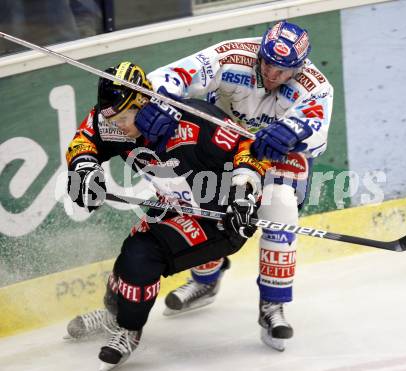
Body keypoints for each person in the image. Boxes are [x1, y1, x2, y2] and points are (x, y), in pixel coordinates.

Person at [139, 20, 334, 350]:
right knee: (200, 208)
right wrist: (161, 102)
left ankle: (273, 305)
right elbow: (168, 76)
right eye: (269, 63)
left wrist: (293, 132)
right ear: (260, 53)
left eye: (284, 70)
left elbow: (317, 134)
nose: (273, 74)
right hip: (223, 146)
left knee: (281, 205)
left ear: (299, 68)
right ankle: (205, 280)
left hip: (274, 154)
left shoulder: (316, 86)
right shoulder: (231, 55)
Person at [65, 61, 272, 370]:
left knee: (140, 256)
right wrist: (83, 169)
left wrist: (242, 197)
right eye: (113, 119)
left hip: (221, 217)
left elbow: (249, 148)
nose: (118, 126)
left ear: (144, 105)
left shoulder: (193, 120)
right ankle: (114, 314)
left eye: (123, 118)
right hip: (174, 205)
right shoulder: (117, 122)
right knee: (126, 265)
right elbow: (87, 138)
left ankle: (128, 329)